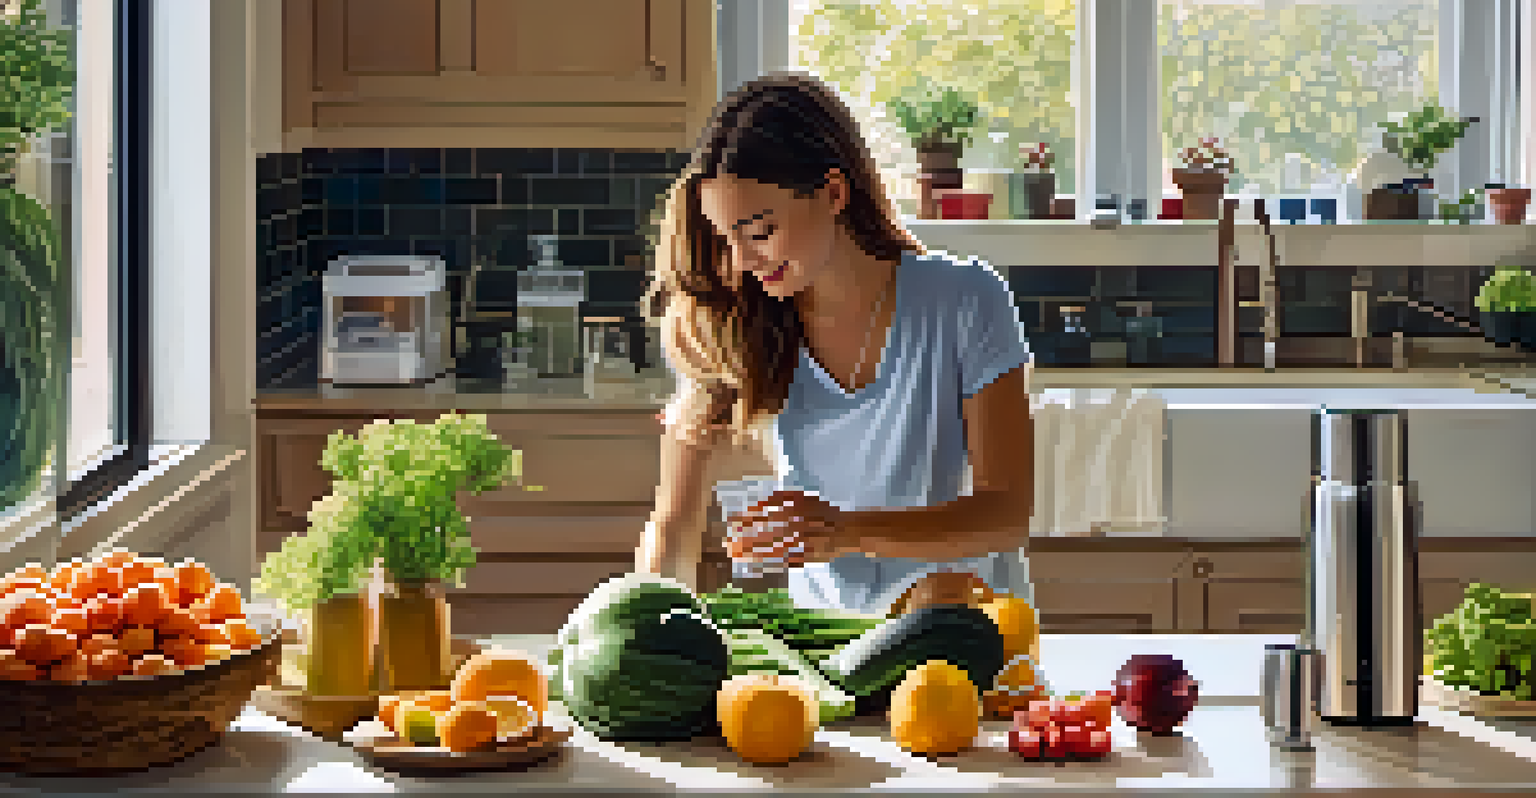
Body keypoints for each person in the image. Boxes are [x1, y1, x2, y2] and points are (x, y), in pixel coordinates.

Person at [635, 72, 1036, 617]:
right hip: (833, 653)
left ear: (833, 193)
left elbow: (1005, 514)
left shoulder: (965, 301)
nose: (742, 262)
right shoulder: (734, 323)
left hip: (972, 639)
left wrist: (845, 532)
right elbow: (673, 525)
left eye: (758, 232)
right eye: (725, 238)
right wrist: (645, 631)